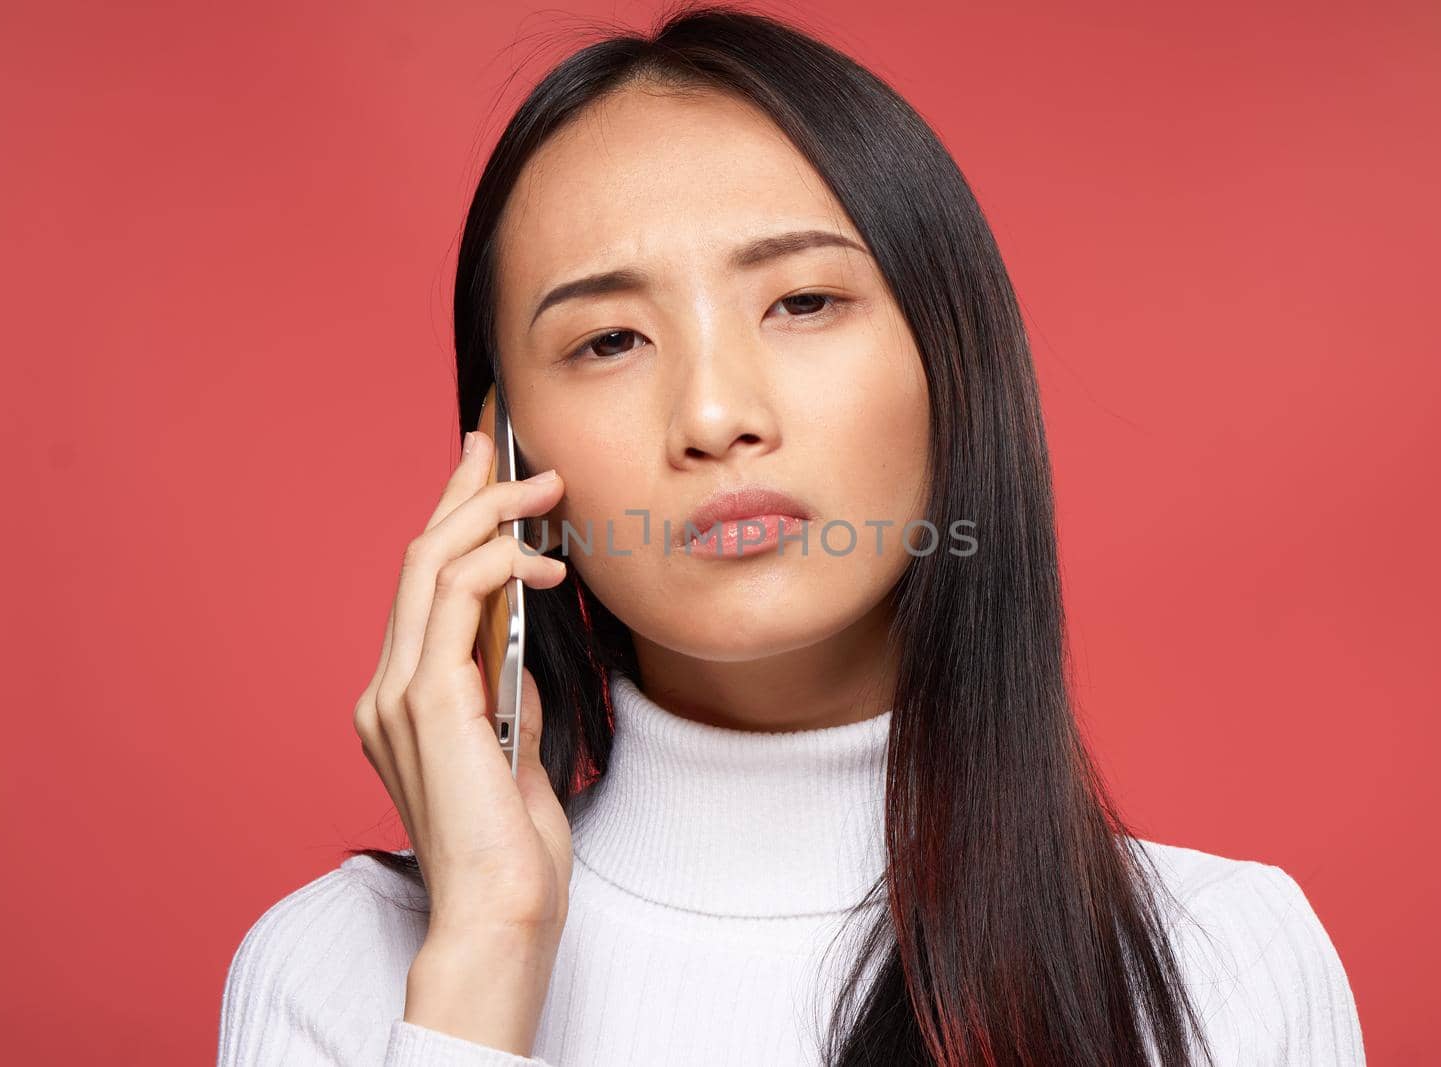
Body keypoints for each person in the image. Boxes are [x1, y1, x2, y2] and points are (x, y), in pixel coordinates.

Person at [216, 5, 1367, 1064]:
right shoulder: (340, 970)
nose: (715, 416)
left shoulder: (1224, 966)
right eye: (610, 340)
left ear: (953, 368)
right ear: (509, 461)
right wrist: (484, 958)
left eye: (803, 302)